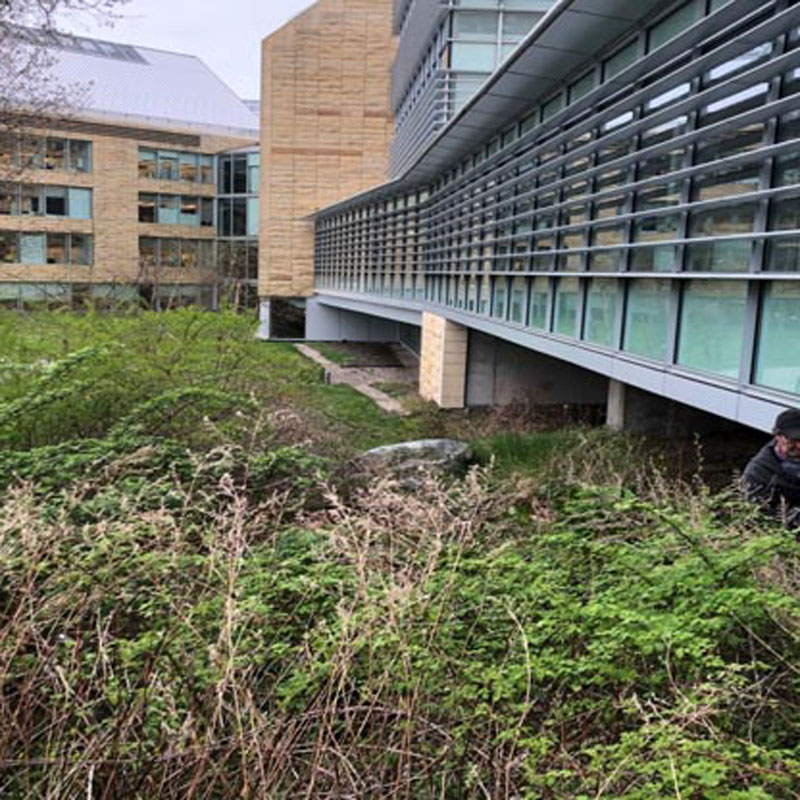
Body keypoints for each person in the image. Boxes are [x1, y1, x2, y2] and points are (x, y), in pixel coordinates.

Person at [743, 408, 800, 527]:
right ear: (777, 436)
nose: (799, 445)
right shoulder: (759, 472)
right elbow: (761, 517)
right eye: (793, 440)